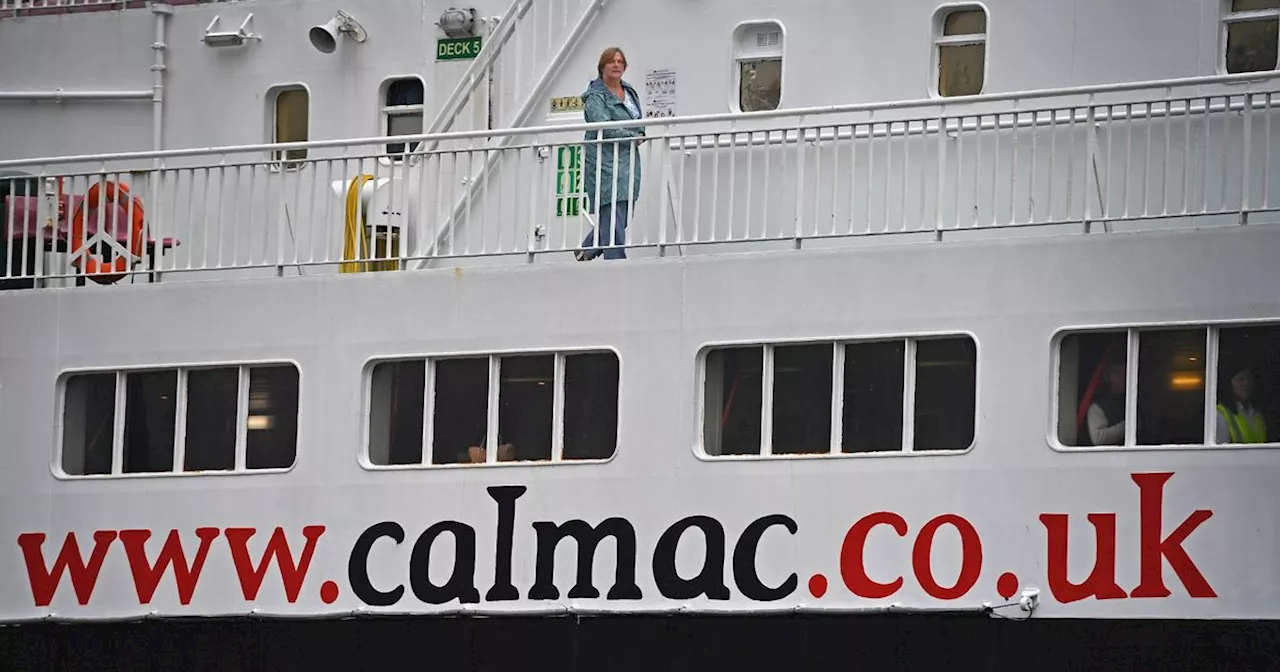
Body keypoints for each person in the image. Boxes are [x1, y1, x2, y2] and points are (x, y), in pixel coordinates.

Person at [576, 47, 644, 261]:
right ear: (602, 66)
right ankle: (616, 264)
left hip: (628, 160)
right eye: (611, 61)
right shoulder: (596, 96)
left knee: (620, 216)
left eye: (620, 61)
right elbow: (602, 125)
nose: (616, 65)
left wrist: (639, 133)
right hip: (604, 160)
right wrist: (632, 136)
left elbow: (638, 119)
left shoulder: (629, 90)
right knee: (612, 212)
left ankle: (587, 248)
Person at [1216, 362, 1267, 444]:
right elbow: (1221, 452)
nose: (1246, 384)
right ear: (1230, 383)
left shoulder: (1257, 412)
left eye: (1249, 378)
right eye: (1240, 380)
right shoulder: (1221, 414)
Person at [1086, 362, 1126, 445]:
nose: (1123, 376)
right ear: (1108, 376)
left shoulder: (1134, 400)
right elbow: (1098, 438)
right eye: (1117, 372)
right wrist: (1129, 424)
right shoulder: (1098, 406)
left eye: (1125, 371)